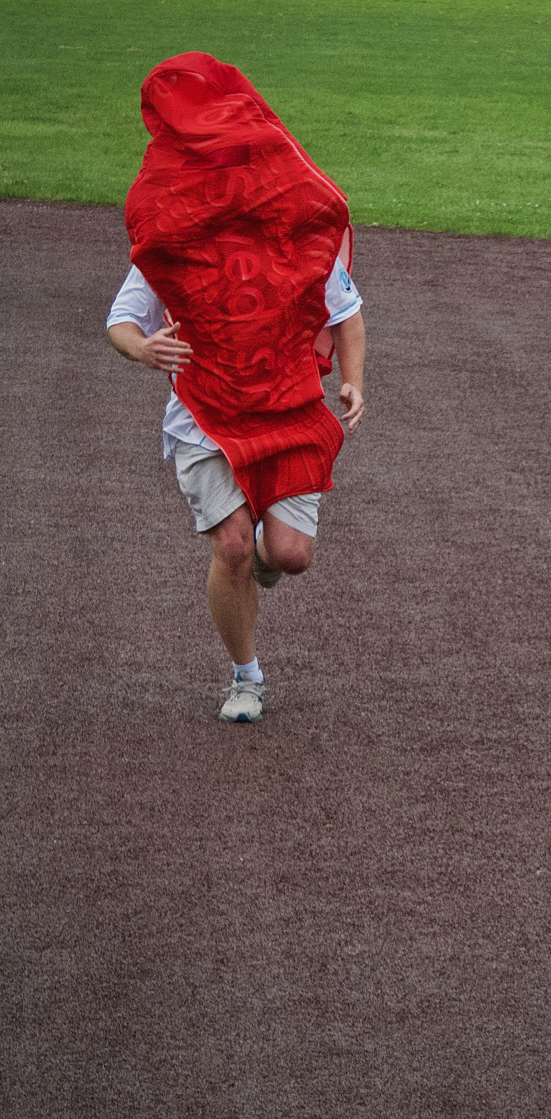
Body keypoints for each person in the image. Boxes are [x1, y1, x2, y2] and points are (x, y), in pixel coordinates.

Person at [107, 52, 365, 724]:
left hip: (287, 406)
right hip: (206, 412)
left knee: (289, 555)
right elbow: (122, 320)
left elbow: (344, 311)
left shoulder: (291, 236)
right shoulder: (176, 241)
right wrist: (144, 347)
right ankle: (245, 675)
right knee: (230, 547)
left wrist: (355, 381)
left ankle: (262, 559)